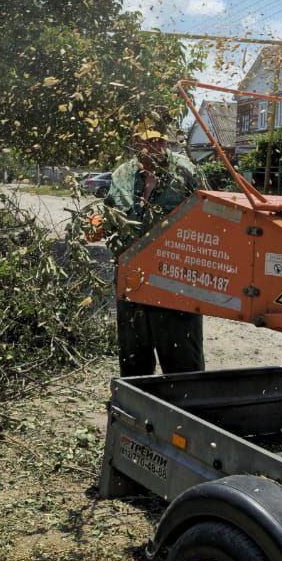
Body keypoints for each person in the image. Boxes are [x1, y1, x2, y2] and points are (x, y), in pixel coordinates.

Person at [104, 120, 206, 376]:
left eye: (161, 140)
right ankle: (137, 408)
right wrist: (99, 224)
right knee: (134, 357)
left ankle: (187, 409)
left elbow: (210, 219)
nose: (156, 147)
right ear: (135, 142)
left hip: (175, 280)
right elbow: (110, 217)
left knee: (182, 359)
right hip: (132, 280)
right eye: (149, 142)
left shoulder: (186, 172)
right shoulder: (121, 175)